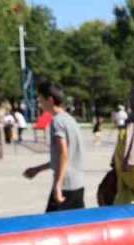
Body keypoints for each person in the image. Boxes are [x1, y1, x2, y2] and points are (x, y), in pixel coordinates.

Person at [24, 84, 87, 212]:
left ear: (50, 100)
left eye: (40, 99)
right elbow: (63, 156)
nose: (39, 103)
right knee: (76, 226)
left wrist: (58, 186)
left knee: (51, 228)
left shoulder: (57, 122)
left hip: (65, 186)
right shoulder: (71, 120)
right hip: (78, 183)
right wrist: (38, 169)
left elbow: (64, 153)